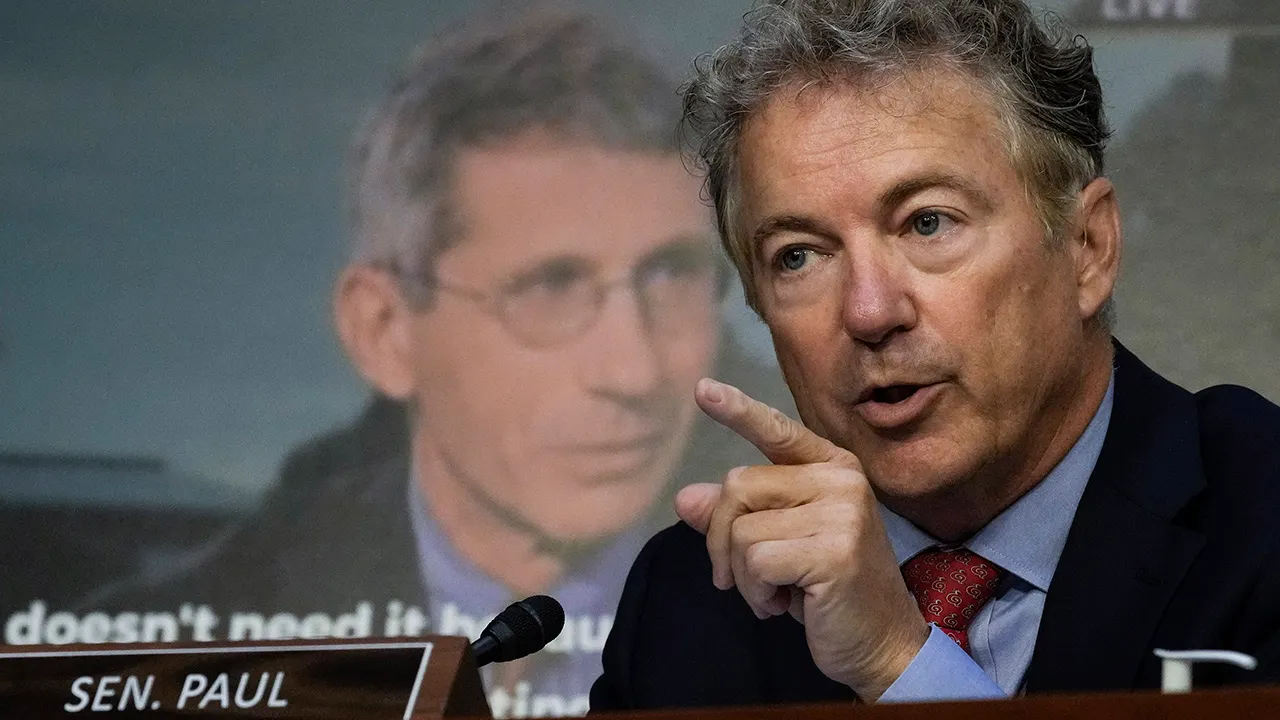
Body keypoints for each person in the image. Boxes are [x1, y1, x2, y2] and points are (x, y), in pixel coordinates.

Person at [79, 4, 787, 718]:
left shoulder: (817, 612)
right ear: (384, 331)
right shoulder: (160, 656)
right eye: (550, 288)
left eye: (671, 277)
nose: (634, 372)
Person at [591, 0, 1280, 709]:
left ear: (1087, 250)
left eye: (927, 222)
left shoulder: (1263, 520)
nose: (869, 311)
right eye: (798, 256)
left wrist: (899, 664)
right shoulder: (697, 599)